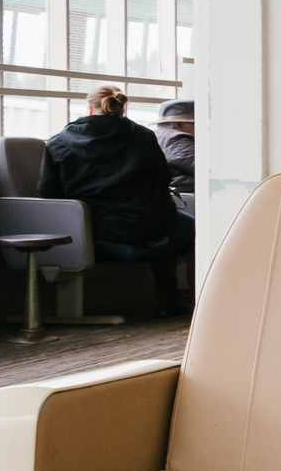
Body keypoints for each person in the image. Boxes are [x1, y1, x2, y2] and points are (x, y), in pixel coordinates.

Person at [40, 85, 194, 316]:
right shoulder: (142, 136)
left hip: (93, 228)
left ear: (90, 108)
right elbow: (162, 178)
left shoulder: (58, 142)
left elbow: (48, 192)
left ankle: (169, 299)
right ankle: (176, 300)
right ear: (123, 108)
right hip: (146, 223)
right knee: (195, 230)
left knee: (167, 232)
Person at [153, 98, 196, 192]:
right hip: (183, 200)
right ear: (179, 125)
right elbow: (206, 172)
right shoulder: (177, 140)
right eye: (195, 124)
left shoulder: (154, 135)